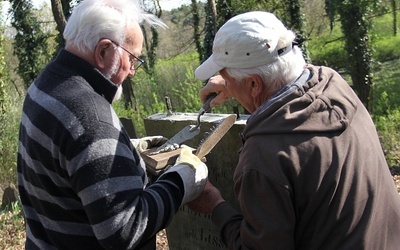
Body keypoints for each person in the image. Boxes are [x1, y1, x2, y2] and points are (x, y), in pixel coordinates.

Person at [188, 11, 400, 249]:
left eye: (226, 75)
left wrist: (214, 205)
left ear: (255, 84)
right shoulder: (334, 86)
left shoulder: (262, 158)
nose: (223, 79)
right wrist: (235, 85)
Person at [17, 0, 208, 249]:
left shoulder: (46, 84)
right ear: (104, 51)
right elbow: (125, 230)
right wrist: (181, 181)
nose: (132, 71)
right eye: (133, 59)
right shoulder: (91, 118)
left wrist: (124, 150)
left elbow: (67, 158)